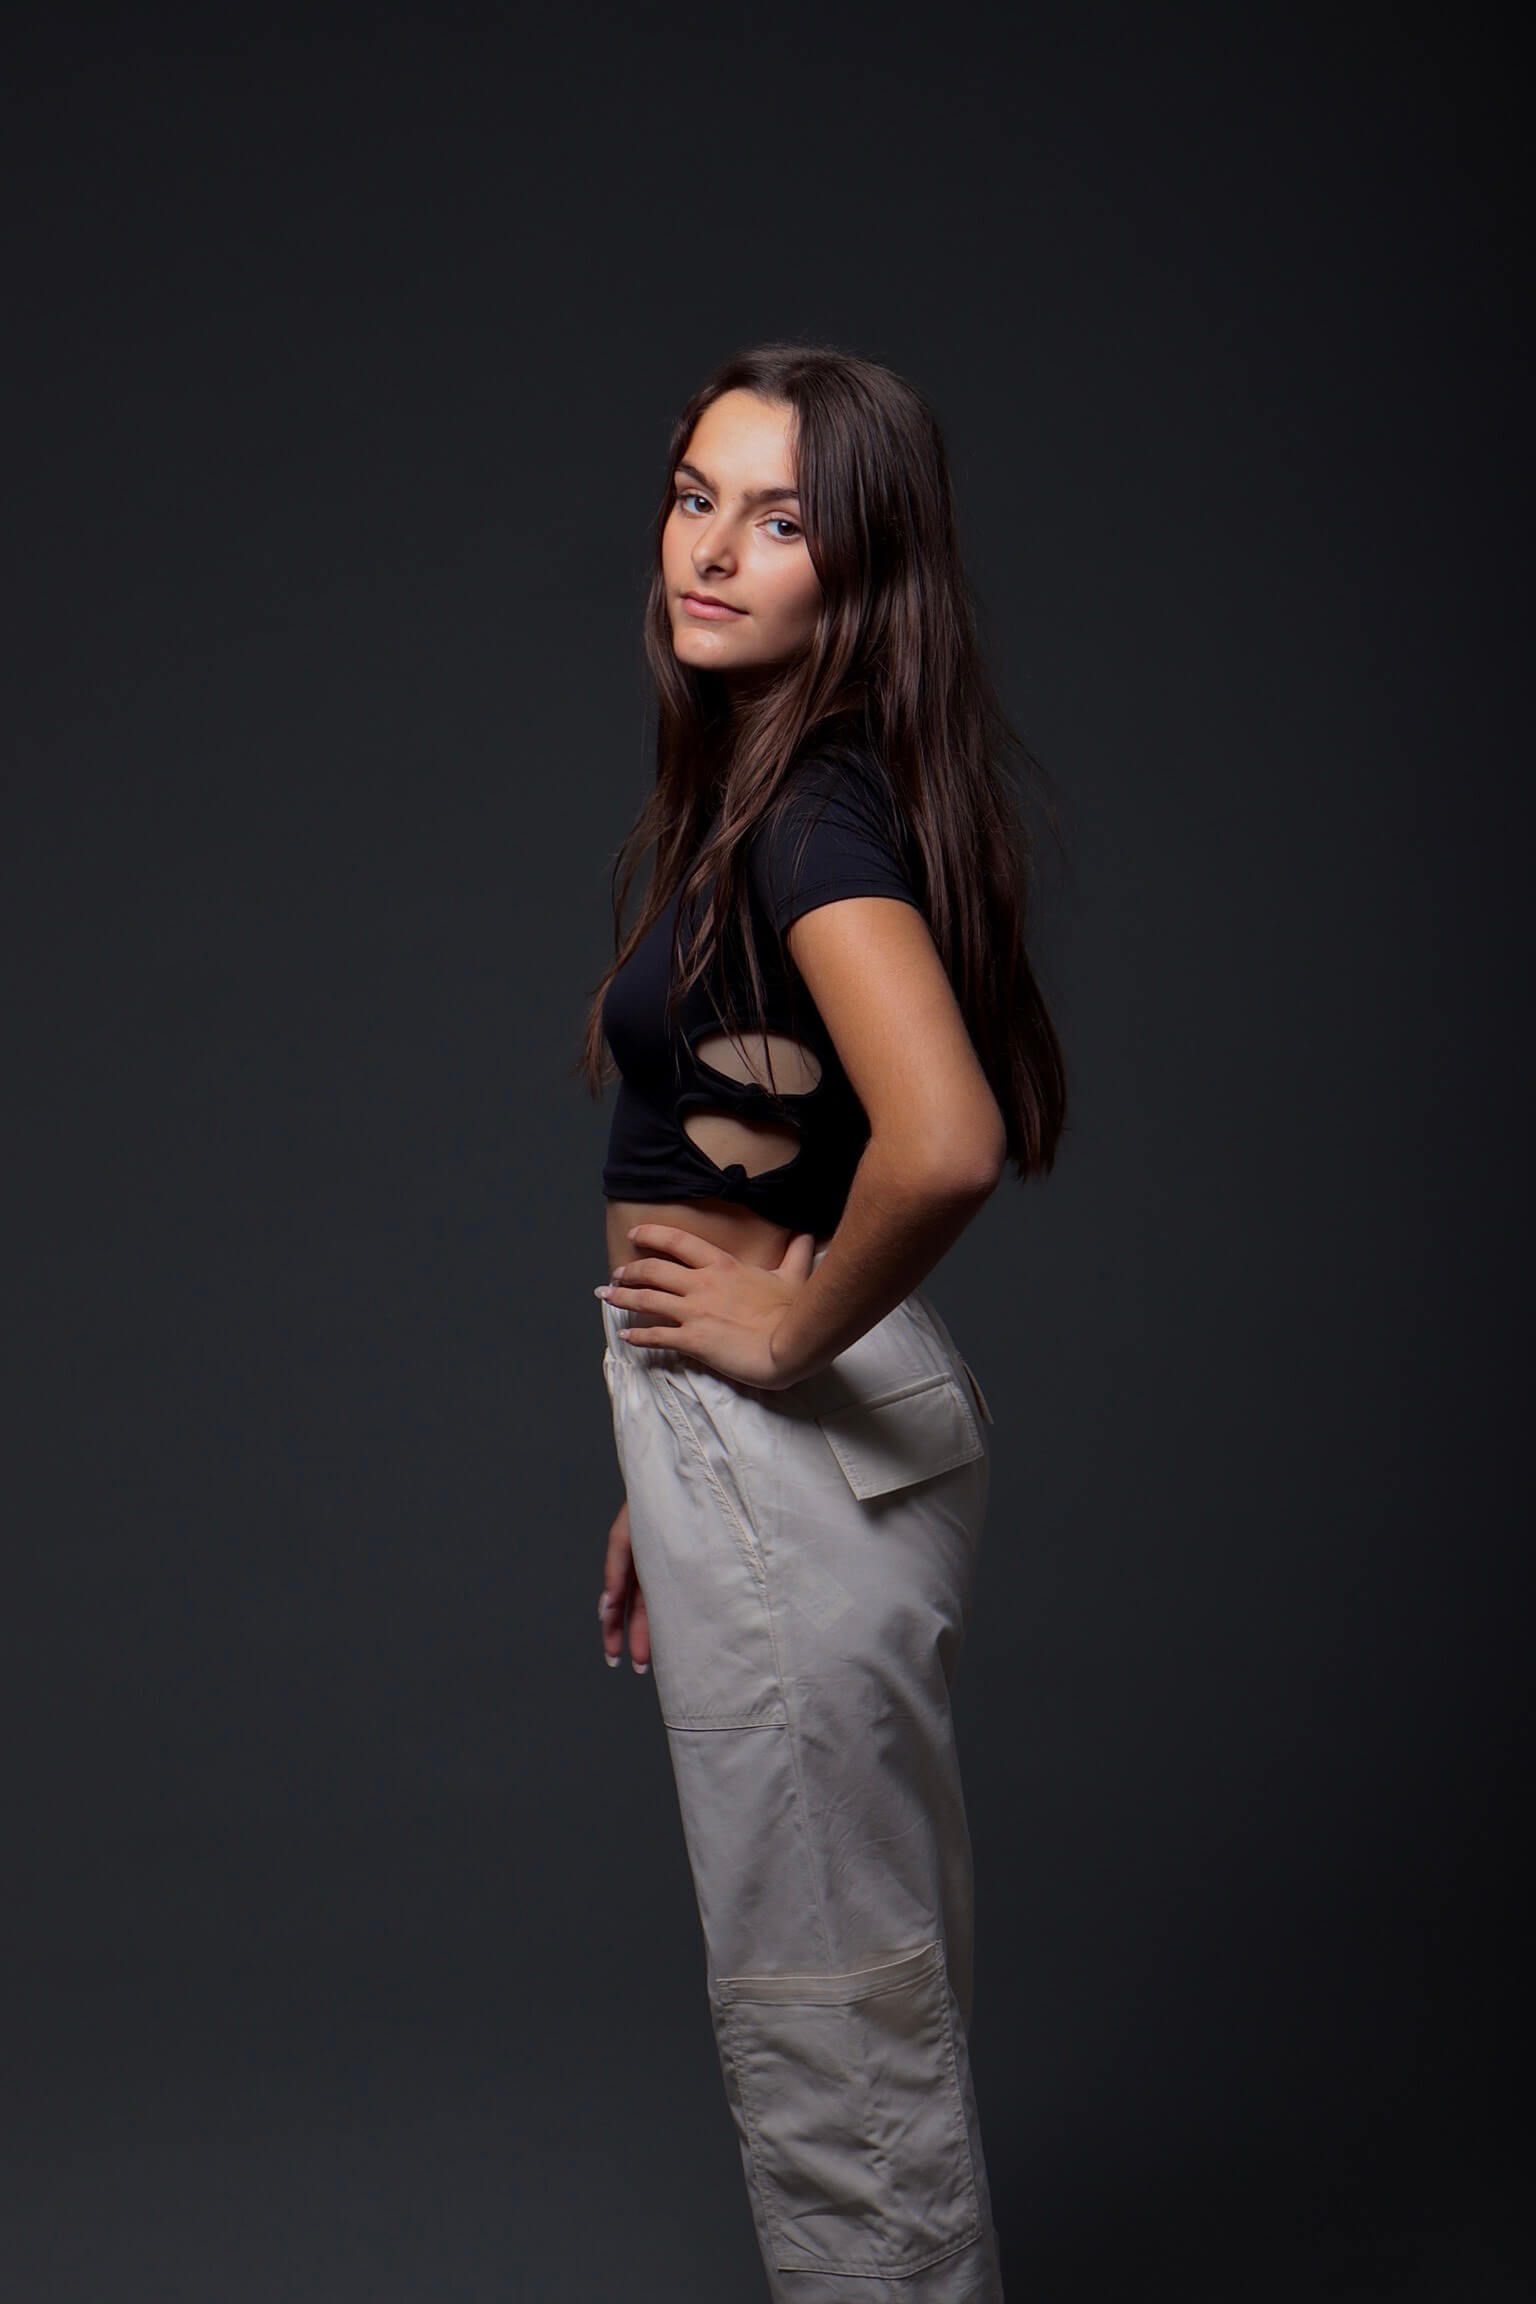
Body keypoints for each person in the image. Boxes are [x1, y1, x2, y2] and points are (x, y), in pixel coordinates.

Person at [577, 342, 1066, 2302]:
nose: (713, 550)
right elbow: (798, 1156)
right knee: (858, 1991)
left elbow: (942, 1142)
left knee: (833, 2021)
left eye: (780, 521)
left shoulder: (809, 820)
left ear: (864, 566)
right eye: (696, 496)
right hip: (772, 1455)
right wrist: (668, 1463)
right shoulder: (793, 786)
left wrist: (770, 1354)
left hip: (801, 1428)